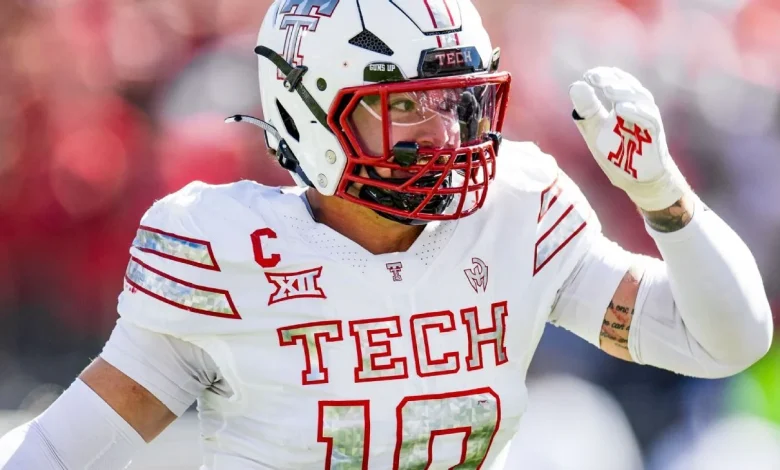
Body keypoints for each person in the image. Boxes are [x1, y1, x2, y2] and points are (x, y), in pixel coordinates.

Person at [0, 0, 773, 468]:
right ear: (309, 108)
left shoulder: (517, 208)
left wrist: (663, 198)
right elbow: (65, 453)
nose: (444, 135)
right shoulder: (225, 252)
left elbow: (725, 342)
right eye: (407, 106)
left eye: (459, 103)